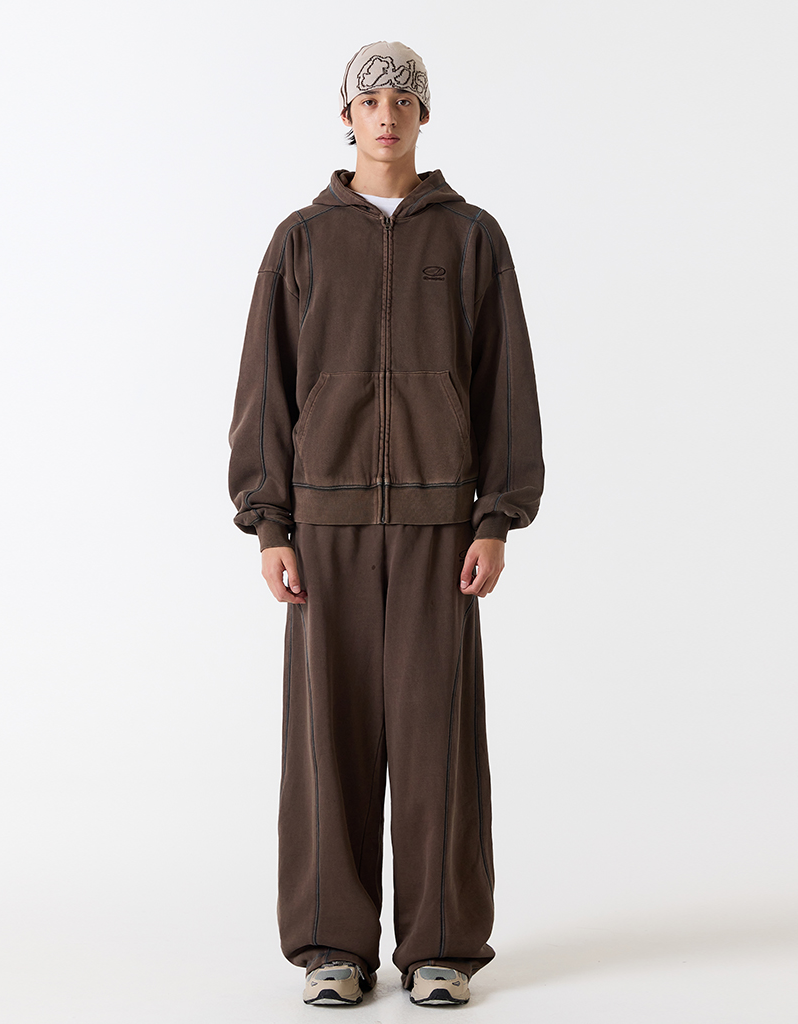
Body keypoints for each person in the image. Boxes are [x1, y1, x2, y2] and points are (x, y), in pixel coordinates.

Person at [227, 40, 544, 1008]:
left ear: (424, 116)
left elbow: (503, 384)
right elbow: (266, 385)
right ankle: (333, 944)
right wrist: (270, 523)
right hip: (322, 528)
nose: (388, 114)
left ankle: (441, 945)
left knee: (437, 738)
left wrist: (495, 517)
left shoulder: (472, 237)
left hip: (440, 526)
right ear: (346, 117)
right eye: (371, 100)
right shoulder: (300, 241)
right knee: (329, 742)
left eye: (404, 99)